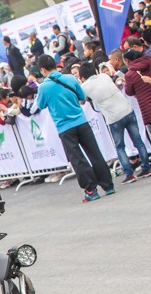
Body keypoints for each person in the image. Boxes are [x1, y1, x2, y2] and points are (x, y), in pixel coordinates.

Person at [32, 55, 114, 202]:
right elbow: (82, 95)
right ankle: (108, 185)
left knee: (78, 159)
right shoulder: (70, 78)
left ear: (43, 70)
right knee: (94, 153)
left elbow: (41, 105)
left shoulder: (44, 86)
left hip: (64, 127)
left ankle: (91, 190)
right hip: (81, 121)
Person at [78, 62, 151, 183]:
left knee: (120, 147)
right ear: (95, 71)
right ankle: (146, 168)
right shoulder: (104, 76)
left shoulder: (84, 86)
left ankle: (130, 174)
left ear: (82, 77)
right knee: (138, 141)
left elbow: (81, 101)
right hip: (127, 110)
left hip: (113, 118)